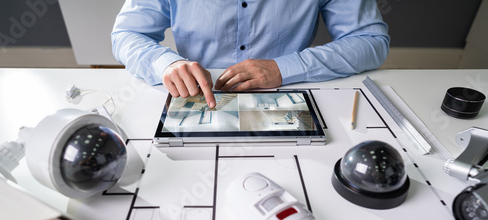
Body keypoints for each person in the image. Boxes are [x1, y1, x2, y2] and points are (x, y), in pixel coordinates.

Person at [111, 0, 390, 108]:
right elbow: (126, 34)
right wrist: (166, 63)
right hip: (195, 97)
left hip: (292, 93)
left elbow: (370, 40)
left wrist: (285, 68)